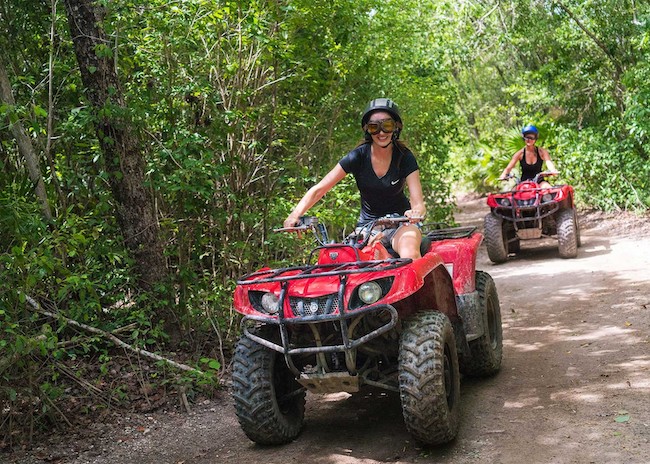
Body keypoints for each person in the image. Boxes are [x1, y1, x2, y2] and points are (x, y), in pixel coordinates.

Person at [283, 98, 427, 259]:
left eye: (387, 126)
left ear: (396, 127)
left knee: (409, 252)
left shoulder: (404, 157)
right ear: (367, 129)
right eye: (374, 127)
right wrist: (295, 214)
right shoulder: (358, 156)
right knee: (338, 260)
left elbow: (418, 203)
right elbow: (320, 188)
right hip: (367, 227)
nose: (381, 133)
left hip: (401, 224)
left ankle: (419, 284)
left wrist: (415, 213)